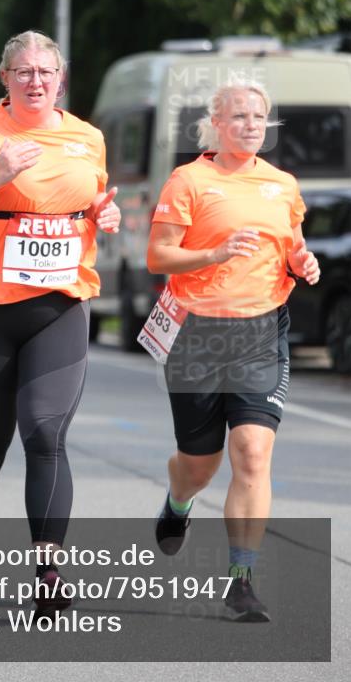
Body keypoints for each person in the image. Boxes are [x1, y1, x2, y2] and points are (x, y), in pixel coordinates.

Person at [0, 30, 120, 612]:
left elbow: (87, 201)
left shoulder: (87, 138)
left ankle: (48, 570)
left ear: (60, 79)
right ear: (5, 78)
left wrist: (101, 212)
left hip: (60, 304)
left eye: (45, 72)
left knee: (44, 432)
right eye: (24, 72)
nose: (35, 81)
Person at [146, 76, 320, 622]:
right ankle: (179, 502)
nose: (251, 125)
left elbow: (292, 248)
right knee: (199, 465)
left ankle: (241, 580)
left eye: (259, 117)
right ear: (215, 123)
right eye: (239, 116)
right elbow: (158, 257)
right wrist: (214, 252)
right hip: (197, 334)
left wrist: (303, 263)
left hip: (260, 334)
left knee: (252, 453)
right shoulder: (189, 179)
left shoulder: (282, 185)